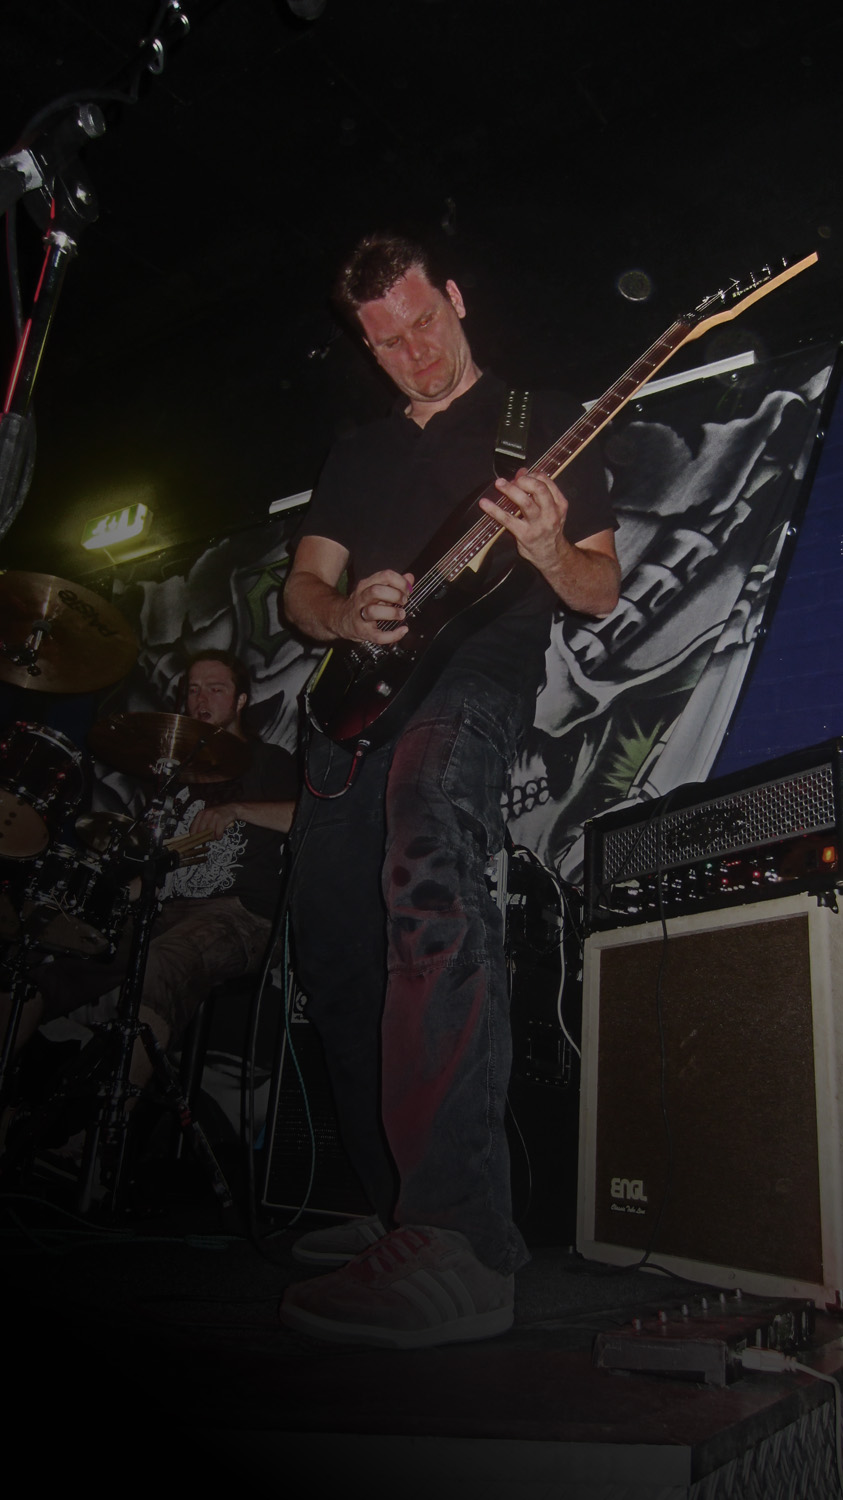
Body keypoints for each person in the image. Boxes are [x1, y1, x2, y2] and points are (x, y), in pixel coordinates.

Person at [280, 233, 621, 1349]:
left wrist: (549, 548)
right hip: (350, 712)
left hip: (472, 684)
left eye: (423, 323)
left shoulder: (546, 422)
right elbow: (302, 590)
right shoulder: (359, 451)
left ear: (458, 299)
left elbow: (599, 589)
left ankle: (459, 1237)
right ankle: (391, 1205)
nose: (414, 353)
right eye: (386, 342)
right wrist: (345, 613)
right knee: (337, 951)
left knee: (430, 881)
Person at [2, 650, 298, 1128]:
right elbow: (156, 869)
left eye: (216, 689)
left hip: (239, 915)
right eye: (193, 690)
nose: (201, 699)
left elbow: (306, 818)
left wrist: (237, 809)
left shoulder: (269, 761)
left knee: (161, 963)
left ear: (241, 700)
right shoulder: (176, 778)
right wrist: (100, 907)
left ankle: (101, 1141)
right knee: (48, 962)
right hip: (161, 910)